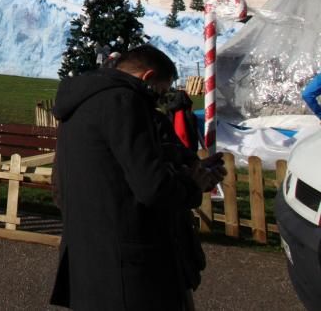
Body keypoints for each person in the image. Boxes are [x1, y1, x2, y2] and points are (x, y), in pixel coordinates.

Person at [49, 44, 225, 310]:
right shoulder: (125, 101)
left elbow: (97, 173)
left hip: (89, 256)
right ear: (147, 77)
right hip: (129, 268)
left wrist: (180, 163)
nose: (159, 100)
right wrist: (193, 184)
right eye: (161, 91)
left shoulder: (80, 104)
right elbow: (152, 187)